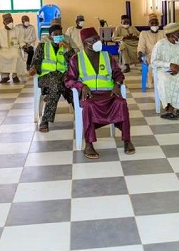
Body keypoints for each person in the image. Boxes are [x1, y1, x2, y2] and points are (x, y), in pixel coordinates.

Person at [65, 27, 135, 159]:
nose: (99, 41)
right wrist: (81, 86)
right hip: (90, 95)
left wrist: (117, 84)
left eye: (98, 38)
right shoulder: (76, 59)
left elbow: (118, 73)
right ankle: (89, 144)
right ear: (86, 43)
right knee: (88, 106)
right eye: (95, 40)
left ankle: (127, 140)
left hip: (109, 94)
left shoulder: (107, 56)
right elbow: (69, 80)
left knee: (121, 103)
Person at [29, 24, 74, 132]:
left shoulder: (65, 46)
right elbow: (35, 62)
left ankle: (81, 113)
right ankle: (45, 120)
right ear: (50, 36)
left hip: (63, 76)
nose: (58, 36)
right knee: (56, 85)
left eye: (60, 34)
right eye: (55, 34)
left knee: (70, 86)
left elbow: (74, 62)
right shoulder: (42, 46)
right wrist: (33, 69)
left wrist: (68, 48)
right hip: (46, 76)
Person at [151, 23, 179, 120]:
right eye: (178, 33)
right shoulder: (160, 44)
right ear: (170, 35)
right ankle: (169, 110)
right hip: (164, 71)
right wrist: (169, 65)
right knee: (165, 81)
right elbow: (154, 61)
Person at [0, 13, 27, 83]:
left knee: (16, 56)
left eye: (11, 21)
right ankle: (5, 76)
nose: (11, 23)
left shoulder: (18, 30)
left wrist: (23, 46)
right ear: (4, 22)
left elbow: (21, 41)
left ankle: (15, 76)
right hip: (3, 49)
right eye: (8, 22)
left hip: (14, 49)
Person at [137, 14, 165, 88]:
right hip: (150, 55)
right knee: (151, 63)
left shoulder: (163, 33)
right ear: (149, 24)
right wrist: (139, 54)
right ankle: (151, 82)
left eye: (156, 23)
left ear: (158, 24)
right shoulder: (144, 34)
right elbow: (141, 46)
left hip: (162, 55)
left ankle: (163, 81)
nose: (154, 25)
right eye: (152, 23)